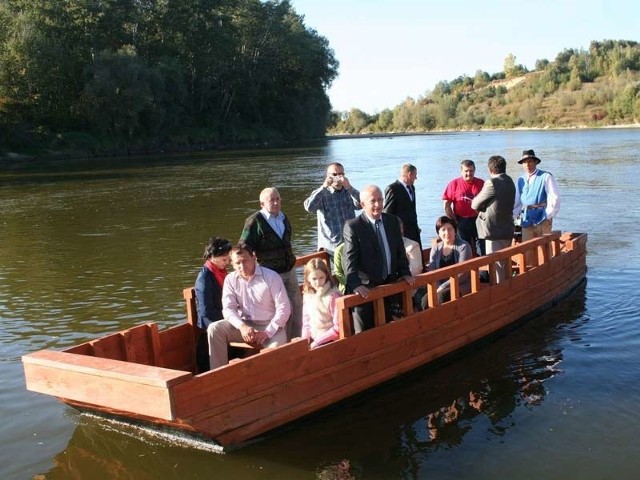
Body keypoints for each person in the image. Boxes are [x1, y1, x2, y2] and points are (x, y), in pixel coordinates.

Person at [207, 243, 291, 370]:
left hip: (270, 327)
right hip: (245, 325)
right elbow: (228, 309)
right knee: (214, 329)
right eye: (237, 263)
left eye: (245, 261)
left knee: (275, 355)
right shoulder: (230, 279)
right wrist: (242, 326)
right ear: (232, 264)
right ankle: (219, 374)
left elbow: (284, 308)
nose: (242, 266)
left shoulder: (271, 277)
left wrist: (267, 332)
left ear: (254, 257)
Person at [343, 185, 415, 333]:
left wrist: (405, 272)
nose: (378, 205)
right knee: (365, 334)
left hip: (389, 285)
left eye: (380, 200)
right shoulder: (353, 226)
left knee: (392, 330)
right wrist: (355, 284)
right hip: (366, 290)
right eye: (373, 201)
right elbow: (349, 260)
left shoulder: (392, 221)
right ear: (363, 204)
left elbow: (400, 252)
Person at [240, 187, 303, 340]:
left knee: (297, 305)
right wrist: (249, 269)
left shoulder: (283, 217)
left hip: (289, 270)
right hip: (271, 275)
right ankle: (283, 342)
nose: (276, 202)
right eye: (271, 200)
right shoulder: (254, 222)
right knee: (281, 309)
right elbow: (244, 247)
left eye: (278, 199)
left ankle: (297, 339)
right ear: (262, 204)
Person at [471, 155, 516, 283]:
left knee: (496, 265)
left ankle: (499, 292)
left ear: (490, 170)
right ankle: (508, 286)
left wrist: (483, 206)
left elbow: (474, 204)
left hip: (493, 231)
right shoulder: (510, 181)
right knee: (505, 262)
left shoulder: (492, 182)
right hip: (507, 228)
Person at [303, 162, 360, 258]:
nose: (338, 177)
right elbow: (309, 207)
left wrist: (349, 187)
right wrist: (324, 186)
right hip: (331, 248)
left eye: (341, 174)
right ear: (327, 176)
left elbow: (362, 205)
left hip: (351, 243)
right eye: (334, 175)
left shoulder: (348, 192)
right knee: (336, 273)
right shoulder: (322, 193)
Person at [194, 236, 232, 372]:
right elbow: (206, 313)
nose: (227, 263)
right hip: (211, 332)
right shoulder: (204, 279)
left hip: (223, 322)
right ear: (212, 257)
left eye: (228, 259)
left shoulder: (220, 272)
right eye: (224, 260)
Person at [513, 149, 561, 241]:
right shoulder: (520, 180)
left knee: (545, 249)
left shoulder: (546, 176)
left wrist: (548, 215)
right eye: (524, 162)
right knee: (528, 249)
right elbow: (517, 201)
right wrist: (514, 217)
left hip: (542, 218)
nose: (527, 165)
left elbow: (555, 198)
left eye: (529, 161)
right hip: (526, 219)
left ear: (535, 162)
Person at [425, 216, 472, 305]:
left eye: (450, 229)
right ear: (438, 233)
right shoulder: (436, 248)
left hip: (458, 285)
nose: (447, 233)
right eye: (443, 230)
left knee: (442, 296)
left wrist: (443, 286)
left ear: (455, 231)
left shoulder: (464, 246)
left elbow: (462, 274)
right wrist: (437, 286)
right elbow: (432, 270)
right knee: (423, 299)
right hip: (439, 285)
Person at [442, 159, 485, 256]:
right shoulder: (454, 184)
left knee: (482, 247)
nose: (469, 173)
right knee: (464, 247)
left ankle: (484, 270)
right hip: (461, 220)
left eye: (471, 171)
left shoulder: (481, 183)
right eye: (466, 171)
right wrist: (453, 219)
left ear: (474, 170)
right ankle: (466, 270)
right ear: (461, 171)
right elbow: (446, 204)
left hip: (478, 219)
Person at [301, 258, 342, 348]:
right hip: (314, 337)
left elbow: (338, 328)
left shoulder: (333, 296)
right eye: (314, 279)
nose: (318, 282)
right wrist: (304, 341)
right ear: (308, 278)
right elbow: (306, 322)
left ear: (326, 276)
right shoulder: (307, 295)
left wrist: (317, 342)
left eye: (321, 278)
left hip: (330, 339)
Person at [383, 163, 422, 249]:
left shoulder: (412, 188)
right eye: (415, 175)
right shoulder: (393, 189)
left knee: (418, 256)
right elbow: (387, 213)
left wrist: (416, 227)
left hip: (414, 231)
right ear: (409, 174)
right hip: (402, 233)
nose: (416, 178)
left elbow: (412, 209)